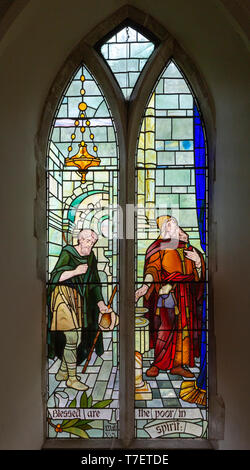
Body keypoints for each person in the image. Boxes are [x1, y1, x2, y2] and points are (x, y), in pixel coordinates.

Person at [135, 215, 205, 378]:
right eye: (167, 225)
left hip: (186, 295)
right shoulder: (158, 248)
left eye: (173, 224)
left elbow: (198, 275)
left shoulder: (187, 247)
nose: (170, 227)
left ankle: (178, 365)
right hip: (166, 294)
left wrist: (198, 262)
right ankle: (158, 363)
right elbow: (152, 270)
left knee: (184, 329)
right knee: (164, 328)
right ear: (162, 230)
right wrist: (145, 287)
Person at [47, 229, 114, 390]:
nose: (90, 245)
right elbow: (55, 277)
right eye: (88, 242)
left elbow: (95, 283)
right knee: (72, 336)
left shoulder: (91, 257)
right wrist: (75, 271)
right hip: (61, 295)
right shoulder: (67, 252)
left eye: (93, 243)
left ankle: (63, 371)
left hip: (78, 299)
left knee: (75, 338)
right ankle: (72, 378)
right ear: (80, 240)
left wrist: (101, 304)